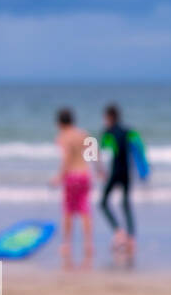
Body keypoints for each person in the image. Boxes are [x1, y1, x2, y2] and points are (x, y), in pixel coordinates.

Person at [99, 104, 145, 266]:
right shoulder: (128, 131)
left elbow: (105, 147)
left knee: (103, 203)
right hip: (127, 173)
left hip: (115, 172)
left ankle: (118, 231)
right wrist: (143, 171)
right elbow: (138, 149)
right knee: (126, 204)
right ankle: (131, 238)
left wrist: (100, 170)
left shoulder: (108, 132)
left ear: (110, 117)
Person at [51, 108, 93, 267]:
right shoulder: (83, 133)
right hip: (85, 175)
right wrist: (101, 170)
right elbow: (94, 153)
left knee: (68, 210)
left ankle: (66, 244)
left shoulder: (62, 137)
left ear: (60, 123)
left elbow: (67, 158)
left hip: (71, 176)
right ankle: (88, 244)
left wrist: (59, 176)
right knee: (85, 210)